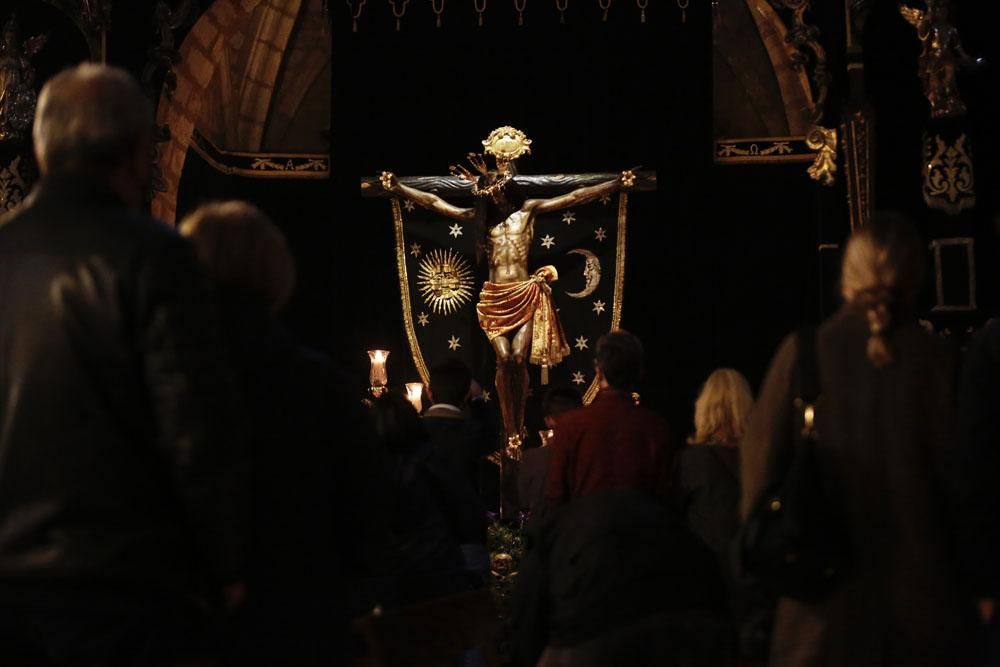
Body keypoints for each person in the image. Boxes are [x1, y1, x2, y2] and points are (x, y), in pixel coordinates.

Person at [0, 64, 246, 664]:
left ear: (41, 145)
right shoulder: (156, 258)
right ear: (140, 154)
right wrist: (226, 568)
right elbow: (193, 427)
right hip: (126, 591)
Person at [740, 213, 978, 666]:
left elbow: (756, 489)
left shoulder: (803, 356)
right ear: (915, 277)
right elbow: (967, 490)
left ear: (846, 279)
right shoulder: (940, 362)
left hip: (820, 620)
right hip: (927, 619)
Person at [179, 200, 366, 665]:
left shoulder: (160, 377)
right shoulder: (320, 387)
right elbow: (365, 518)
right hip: (301, 623)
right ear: (278, 274)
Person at [380, 126, 635, 453]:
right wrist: (400, 188)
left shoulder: (526, 214)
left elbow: (570, 196)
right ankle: (510, 423)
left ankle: (515, 431)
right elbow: (436, 203)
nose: (497, 195)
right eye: (491, 192)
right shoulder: (478, 219)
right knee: (505, 358)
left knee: (517, 358)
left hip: (525, 293)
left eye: (501, 189)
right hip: (494, 298)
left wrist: (614, 184)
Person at [545, 329, 671, 511]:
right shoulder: (656, 428)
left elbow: (555, 497)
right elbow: (663, 497)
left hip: (584, 533)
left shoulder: (571, 425)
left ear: (598, 369)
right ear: (640, 372)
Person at [518, 385, 582, 524]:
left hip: (542, 536)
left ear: (548, 421)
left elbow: (522, 501)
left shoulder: (531, 459)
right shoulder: (591, 455)